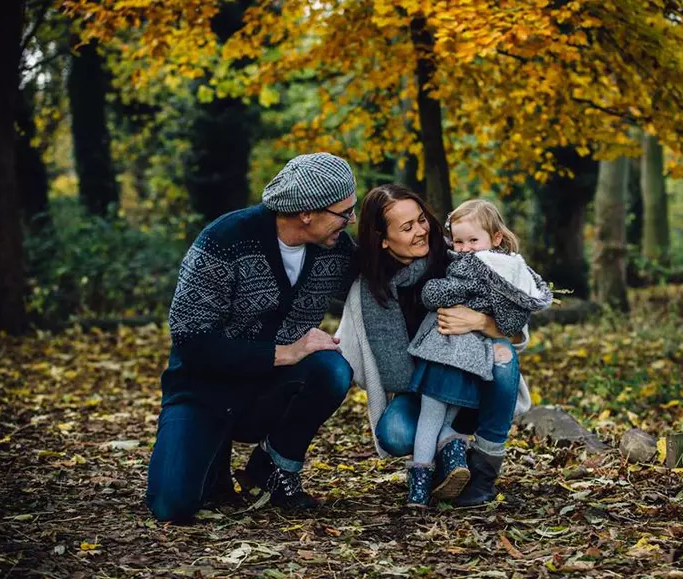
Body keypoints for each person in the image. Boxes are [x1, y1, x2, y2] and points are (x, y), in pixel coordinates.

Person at [146, 152, 358, 522]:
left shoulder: (335, 248)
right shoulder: (224, 240)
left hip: (267, 393)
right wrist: (284, 353)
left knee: (332, 369)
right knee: (173, 506)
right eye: (345, 211)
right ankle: (212, 456)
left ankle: (272, 468)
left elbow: (384, 283)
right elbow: (191, 340)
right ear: (308, 213)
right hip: (203, 391)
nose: (351, 220)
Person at [336, 184, 534, 509]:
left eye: (421, 220)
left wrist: (479, 323)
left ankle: (482, 473)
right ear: (383, 239)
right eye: (407, 227)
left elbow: (516, 332)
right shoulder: (371, 291)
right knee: (396, 433)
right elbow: (378, 369)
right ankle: (446, 453)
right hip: (418, 389)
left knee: (503, 355)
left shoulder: (460, 256)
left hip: (474, 378)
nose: (421, 231)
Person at [404, 199, 552, 506]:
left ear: (495, 238)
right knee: (436, 414)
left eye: (474, 240)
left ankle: (476, 474)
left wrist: (479, 315)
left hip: (465, 354)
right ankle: (448, 461)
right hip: (447, 351)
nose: (466, 248)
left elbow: (512, 324)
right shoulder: (455, 261)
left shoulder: (502, 270)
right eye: (459, 241)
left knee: (500, 361)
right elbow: (434, 294)